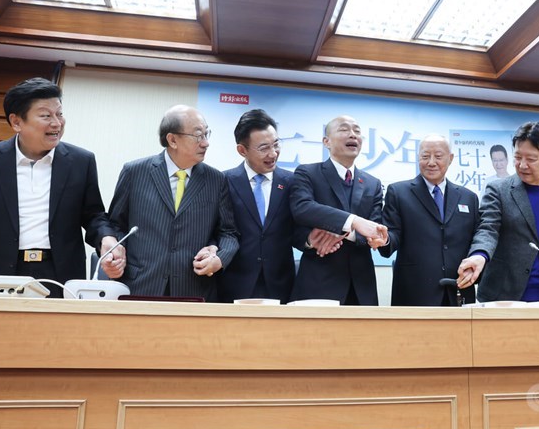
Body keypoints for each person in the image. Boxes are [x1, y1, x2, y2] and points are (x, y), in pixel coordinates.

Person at [0, 77, 119, 296]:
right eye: (45, 115)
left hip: (61, 276)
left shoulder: (81, 161)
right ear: (16, 122)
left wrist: (106, 238)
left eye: (59, 114)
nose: (57, 123)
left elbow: (94, 215)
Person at [107, 105, 238, 299]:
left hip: (194, 288)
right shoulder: (135, 172)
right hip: (140, 286)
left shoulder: (216, 180)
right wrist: (114, 254)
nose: (206, 143)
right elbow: (115, 225)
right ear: (172, 140)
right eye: (198, 135)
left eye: (206, 134)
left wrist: (219, 258)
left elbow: (228, 232)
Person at [457, 122, 539, 301]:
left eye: (531, 159)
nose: (522, 165)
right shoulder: (498, 189)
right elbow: (487, 229)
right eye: (517, 157)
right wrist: (479, 255)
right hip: (503, 295)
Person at [289, 115, 387, 305]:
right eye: (344, 130)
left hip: (362, 288)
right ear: (326, 141)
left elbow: (374, 226)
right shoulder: (307, 173)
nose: (353, 135)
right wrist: (354, 222)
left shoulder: (372, 184)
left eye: (357, 131)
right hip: (318, 283)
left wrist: (349, 232)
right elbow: (302, 208)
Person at [379, 134, 481, 306]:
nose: (431, 162)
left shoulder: (468, 197)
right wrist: (384, 239)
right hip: (414, 293)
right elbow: (392, 236)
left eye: (438, 156)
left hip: (459, 291)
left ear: (450, 158)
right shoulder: (399, 192)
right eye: (425, 156)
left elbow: (476, 240)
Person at [219, 109, 306, 303]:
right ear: (242, 150)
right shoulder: (223, 181)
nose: (273, 153)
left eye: (276, 144)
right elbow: (219, 231)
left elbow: (297, 230)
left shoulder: (292, 181)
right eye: (264, 148)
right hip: (234, 284)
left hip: (281, 284)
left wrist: (310, 241)